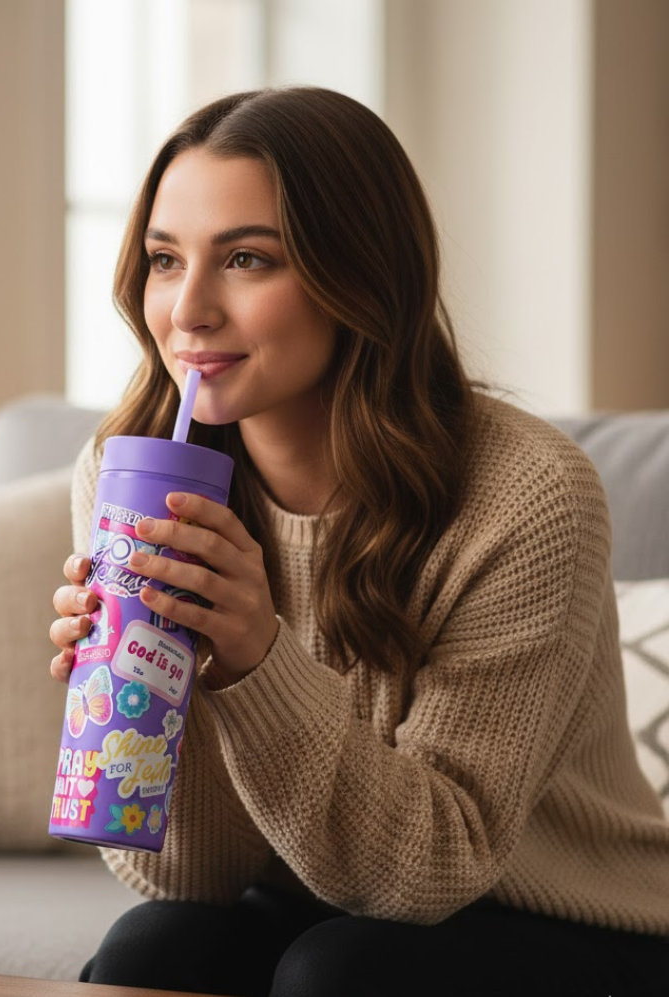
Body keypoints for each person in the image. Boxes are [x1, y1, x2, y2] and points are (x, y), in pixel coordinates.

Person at [48, 87, 669, 997]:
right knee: (156, 948)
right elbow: (186, 877)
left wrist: (259, 659)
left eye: (248, 259)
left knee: (341, 971)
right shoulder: (125, 471)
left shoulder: (525, 497)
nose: (188, 311)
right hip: (326, 890)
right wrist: (156, 677)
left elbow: (433, 869)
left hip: (566, 919)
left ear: (361, 277)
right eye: (164, 259)